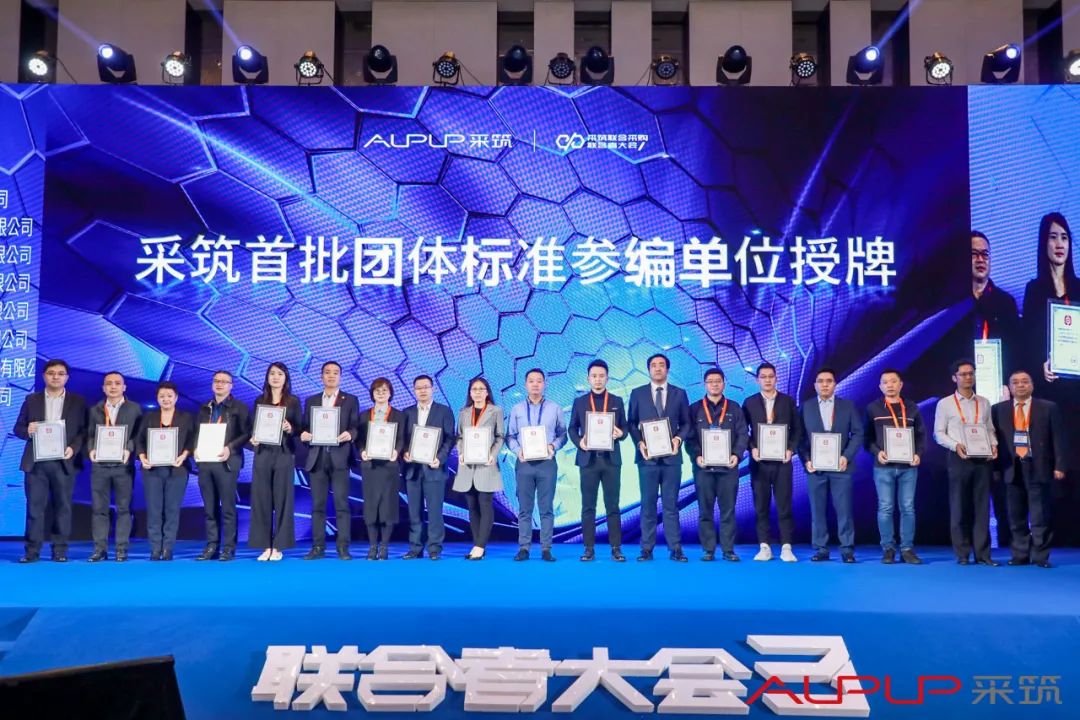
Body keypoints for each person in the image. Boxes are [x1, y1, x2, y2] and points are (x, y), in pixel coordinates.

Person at [13, 359, 87, 563]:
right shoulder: (31, 399)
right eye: (51, 373)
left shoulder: (78, 401)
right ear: (44, 376)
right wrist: (27, 430)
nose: (56, 377)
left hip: (64, 462)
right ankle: (31, 552)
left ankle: (60, 551)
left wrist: (73, 448)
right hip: (36, 463)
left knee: (63, 508)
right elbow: (18, 428)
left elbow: (84, 431)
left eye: (60, 373)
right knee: (34, 508)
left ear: (67, 377)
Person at [992, 370, 1067, 568]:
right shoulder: (998, 410)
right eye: (1016, 382)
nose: (1020, 385)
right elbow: (995, 441)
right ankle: (1020, 554)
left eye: (1025, 381)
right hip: (1011, 467)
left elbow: (1058, 438)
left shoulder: (1048, 407)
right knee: (1015, 515)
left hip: (1039, 466)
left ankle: (1041, 556)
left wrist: (1060, 465)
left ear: (1032, 385)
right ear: (1010, 387)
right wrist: (995, 468)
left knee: (1039, 514)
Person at [934, 359, 999, 565]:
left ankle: (983, 554)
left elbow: (990, 429)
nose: (968, 377)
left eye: (971, 373)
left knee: (982, 507)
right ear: (954, 378)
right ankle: (962, 554)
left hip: (983, 459)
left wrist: (994, 445)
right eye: (963, 374)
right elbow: (938, 433)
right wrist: (956, 445)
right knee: (959, 506)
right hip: (959, 458)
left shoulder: (984, 402)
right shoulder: (945, 404)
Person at [627, 353, 691, 562]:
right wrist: (640, 443)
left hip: (672, 459)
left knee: (671, 505)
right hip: (647, 459)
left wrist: (678, 439)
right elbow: (631, 423)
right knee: (648, 505)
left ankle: (675, 549)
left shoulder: (679, 394)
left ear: (667, 369)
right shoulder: (637, 393)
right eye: (653, 365)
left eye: (661, 365)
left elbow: (687, 423)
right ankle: (646, 548)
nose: (657, 368)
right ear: (648, 369)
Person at [798, 368, 863, 563]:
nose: (825, 384)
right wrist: (806, 459)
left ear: (835, 384)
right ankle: (821, 549)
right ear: (815, 385)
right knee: (817, 511)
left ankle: (847, 549)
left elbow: (858, 433)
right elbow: (799, 438)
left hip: (841, 468)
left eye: (829, 381)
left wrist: (846, 457)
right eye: (821, 381)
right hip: (815, 469)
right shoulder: (806, 407)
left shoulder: (848, 406)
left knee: (844, 510)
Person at [567, 360, 628, 562]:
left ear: (607, 378)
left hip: (611, 461)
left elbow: (625, 429)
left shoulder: (617, 401)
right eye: (594, 376)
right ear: (588, 378)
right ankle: (588, 548)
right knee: (588, 506)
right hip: (588, 461)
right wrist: (579, 442)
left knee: (613, 506)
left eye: (601, 376)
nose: (598, 379)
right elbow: (571, 428)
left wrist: (620, 433)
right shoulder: (580, 402)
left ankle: (616, 548)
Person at [865, 369, 927, 565]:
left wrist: (918, 454)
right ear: (880, 386)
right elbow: (867, 438)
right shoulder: (873, 408)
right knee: (885, 508)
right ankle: (888, 549)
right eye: (885, 382)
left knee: (908, 508)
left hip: (908, 466)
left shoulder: (912, 407)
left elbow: (921, 435)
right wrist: (877, 452)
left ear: (901, 384)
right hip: (883, 466)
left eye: (893, 381)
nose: (889, 385)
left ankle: (907, 549)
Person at [687, 368, 747, 562]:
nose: (714, 384)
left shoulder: (734, 408)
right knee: (705, 511)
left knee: (728, 511)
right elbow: (690, 437)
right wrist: (697, 456)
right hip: (703, 469)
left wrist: (737, 455)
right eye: (710, 381)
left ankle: (728, 550)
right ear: (705, 384)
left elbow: (742, 434)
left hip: (728, 468)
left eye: (718, 381)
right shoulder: (694, 409)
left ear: (724, 383)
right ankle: (708, 549)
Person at [300, 361, 359, 561]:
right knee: (317, 506)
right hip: (317, 458)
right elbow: (304, 427)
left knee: (342, 505)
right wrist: (303, 434)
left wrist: (350, 434)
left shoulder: (350, 400)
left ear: (340, 376)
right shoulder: (311, 400)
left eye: (335, 373)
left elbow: (355, 427)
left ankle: (343, 547)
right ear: (321, 376)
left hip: (340, 457)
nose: (331, 376)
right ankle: (318, 547)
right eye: (327, 372)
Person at [507, 369, 568, 562]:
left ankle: (546, 548)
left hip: (547, 464)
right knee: (525, 508)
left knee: (546, 508)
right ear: (525, 384)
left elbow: (563, 435)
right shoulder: (516, 409)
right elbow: (510, 436)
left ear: (545, 384)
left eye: (539, 381)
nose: (535, 384)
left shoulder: (555, 408)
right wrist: (518, 451)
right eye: (531, 381)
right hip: (524, 463)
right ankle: (524, 548)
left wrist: (553, 446)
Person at [742, 362, 800, 562]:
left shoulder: (788, 401)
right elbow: (743, 431)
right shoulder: (749, 402)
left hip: (783, 462)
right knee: (761, 506)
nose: (767, 380)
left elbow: (797, 430)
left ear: (776, 378)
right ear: (757, 380)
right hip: (759, 463)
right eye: (763, 377)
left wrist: (791, 449)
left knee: (784, 505)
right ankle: (764, 546)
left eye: (771, 376)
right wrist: (752, 448)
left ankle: (786, 546)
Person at [193, 370, 250, 562]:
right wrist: (196, 448)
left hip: (227, 462)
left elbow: (246, 433)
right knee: (209, 508)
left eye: (224, 382)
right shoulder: (204, 408)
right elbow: (197, 433)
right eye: (216, 381)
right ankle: (212, 546)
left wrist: (230, 448)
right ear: (212, 384)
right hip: (206, 462)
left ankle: (228, 547)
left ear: (231, 386)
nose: (219, 384)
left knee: (227, 507)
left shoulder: (239, 407)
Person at [86, 371, 142, 562]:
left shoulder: (134, 409)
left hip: (123, 465)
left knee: (124, 508)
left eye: (117, 383)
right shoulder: (95, 409)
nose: (113, 387)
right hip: (100, 466)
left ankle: (121, 549)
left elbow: (138, 435)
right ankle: (99, 549)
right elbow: (90, 434)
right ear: (103, 388)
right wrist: (91, 449)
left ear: (124, 387)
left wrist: (129, 448)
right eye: (109, 383)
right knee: (99, 509)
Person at [249, 362, 302, 561]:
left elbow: (299, 428)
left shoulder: (293, 401)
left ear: (285, 378)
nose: (276, 377)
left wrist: (290, 428)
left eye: (280, 374)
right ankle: (265, 546)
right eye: (272, 373)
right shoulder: (259, 400)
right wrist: (254, 437)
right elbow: (254, 426)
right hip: (263, 452)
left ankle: (279, 546)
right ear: (267, 377)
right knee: (261, 499)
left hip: (284, 453)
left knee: (282, 499)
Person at [136, 381, 194, 561]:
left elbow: (192, 441)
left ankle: (168, 548)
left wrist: (184, 455)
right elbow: (139, 441)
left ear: (176, 398)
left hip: (177, 469)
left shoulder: (186, 417)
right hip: (152, 470)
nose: (166, 399)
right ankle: (155, 548)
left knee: (172, 509)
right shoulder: (149, 417)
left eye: (169, 396)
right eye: (162, 396)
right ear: (157, 398)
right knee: (154, 509)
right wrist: (142, 457)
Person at [401, 375, 456, 561]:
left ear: (433, 389)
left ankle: (434, 549)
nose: (422, 391)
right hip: (413, 470)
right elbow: (402, 439)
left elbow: (450, 438)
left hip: (435, 468)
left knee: (434, 512)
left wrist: (440, 458)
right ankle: (415, 548)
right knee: (414, 512)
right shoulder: (407, 412)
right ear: (414, 391)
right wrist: (405, 452)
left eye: (426, 387)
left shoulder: (444, 411)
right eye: (418, 388)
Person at [452, 377, 505, 560]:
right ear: (470, 392)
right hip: (467, 466)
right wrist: (461, 452)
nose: (478, 392)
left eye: (481, 389)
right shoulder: (464, 412)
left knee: (485, 504)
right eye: (474, 389)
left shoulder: (496, 411)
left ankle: (480, 546)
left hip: (486, 464)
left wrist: (493, 454)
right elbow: (459, 436)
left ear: (487, 392)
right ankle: (477, 545)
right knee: (472, 507)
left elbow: (500, 436)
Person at [357, 377, 405, 560]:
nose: (381, 393)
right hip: (370, 466)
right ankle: (372, 546)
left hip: (389, 466)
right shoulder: (364, 415)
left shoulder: (399, 415)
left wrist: (396, 451)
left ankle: (384, 546)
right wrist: (362, 451)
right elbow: (359, 440)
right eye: (377, 390)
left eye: (385, 390)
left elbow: (401, 438)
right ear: (372, 394)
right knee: (371, 507)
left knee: (388, 507)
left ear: (390, 393)